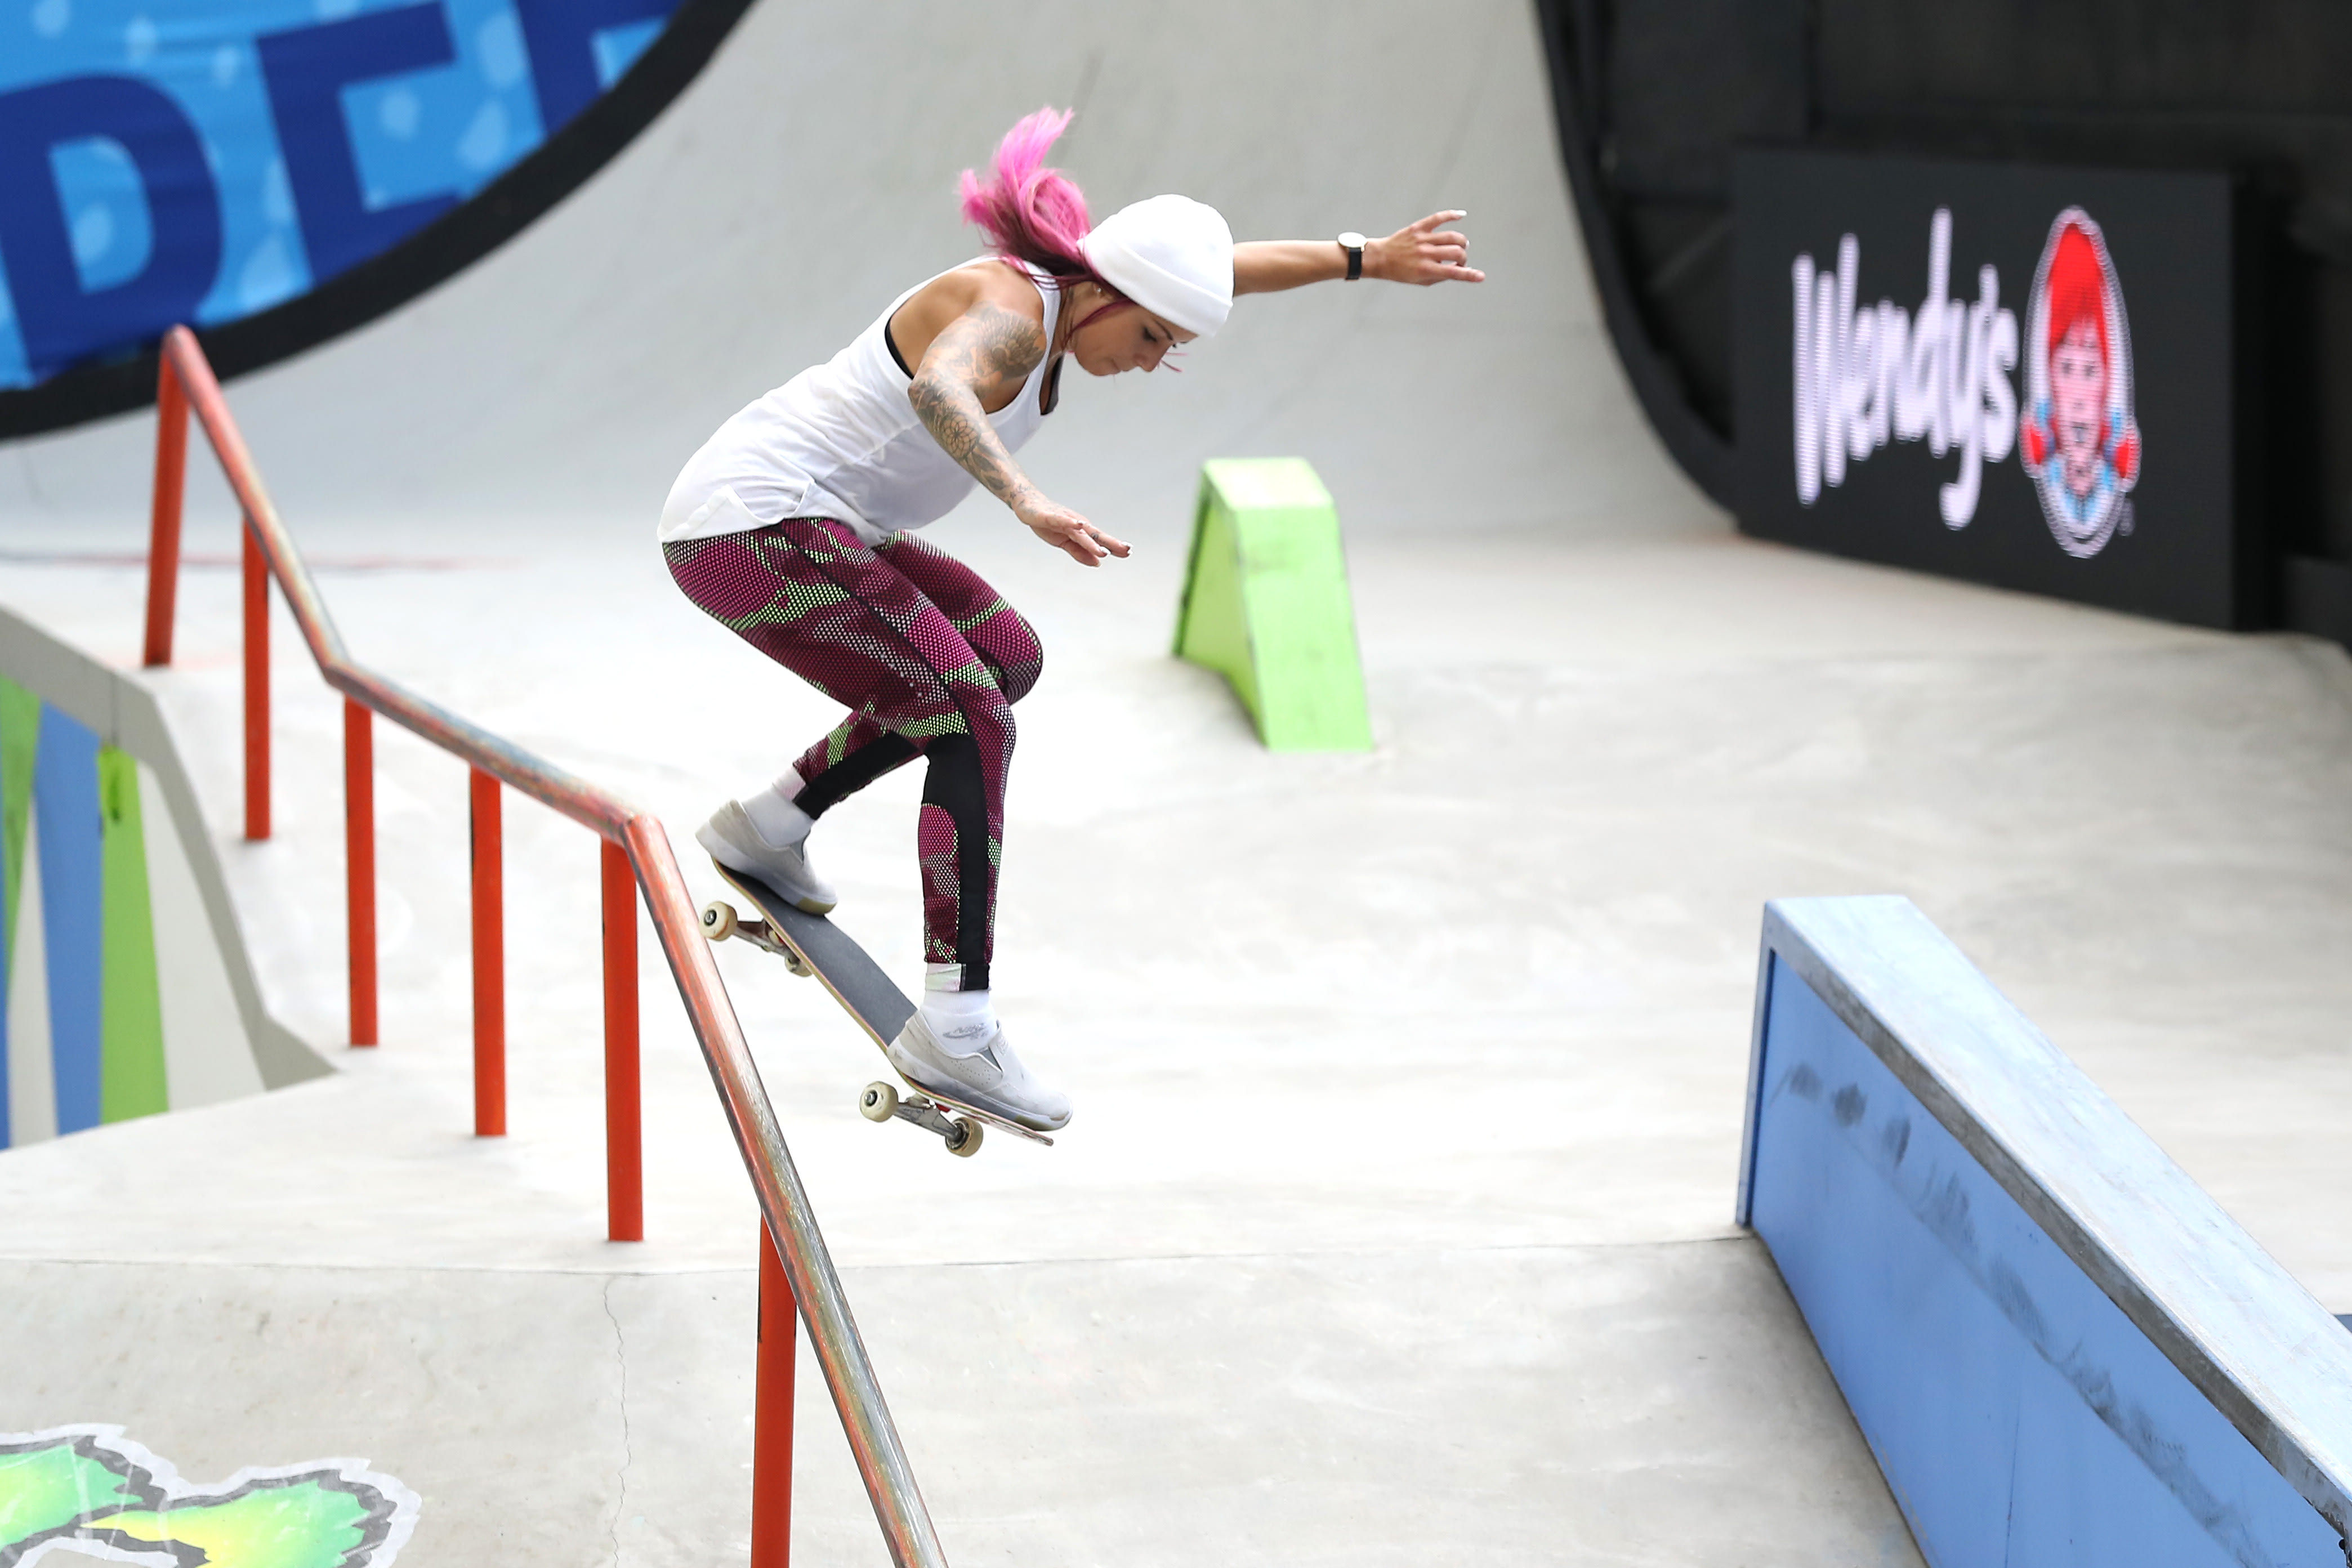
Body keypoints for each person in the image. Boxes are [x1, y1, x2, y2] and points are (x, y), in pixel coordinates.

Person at [659, 108, 1481, 1132]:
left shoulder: (1093, 289)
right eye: (1149, 339)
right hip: (749, 530)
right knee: (966, 715)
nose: (1149, 363)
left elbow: (1230, 265)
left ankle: (771, 821)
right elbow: (939, 387)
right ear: (1102, 294)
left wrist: (1366, 258)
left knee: (1001, 660)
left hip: (818, 528)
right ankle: (956, 1026)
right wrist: (1024, 498)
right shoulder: (1012, 310)